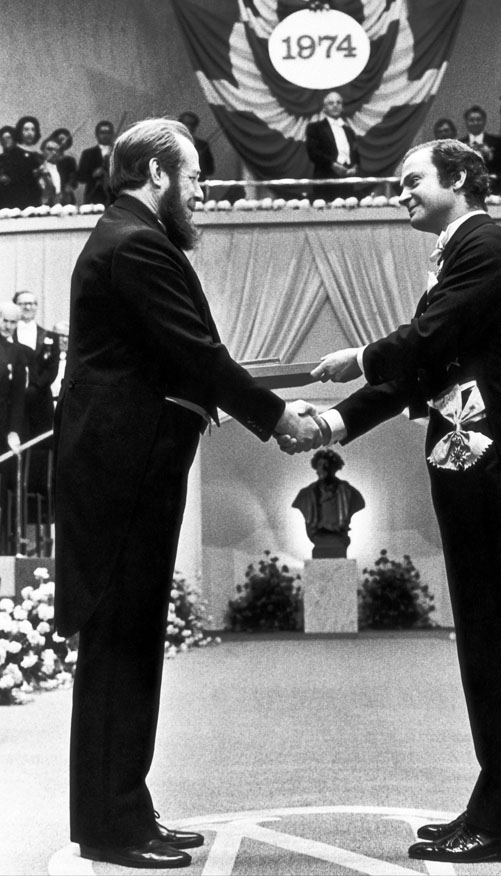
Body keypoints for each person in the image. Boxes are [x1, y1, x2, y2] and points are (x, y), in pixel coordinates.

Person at [280, 139, 501, 864]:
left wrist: (359, 357)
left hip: (498, 472)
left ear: (460, 177)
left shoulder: (490, 247)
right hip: (471, 471)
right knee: (485, 644)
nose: (400, 192)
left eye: (412, 180)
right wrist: (334, 423)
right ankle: (494, 802)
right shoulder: (461, 255)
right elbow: (422, 372)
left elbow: (424, 341)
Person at [53, 117, 323, 870]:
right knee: (120, 644)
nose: (203, 191)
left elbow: (189, 357)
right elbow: (196, 353)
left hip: (129, 467)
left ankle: (125, 808)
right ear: (156, 174)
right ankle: (111, 825)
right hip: (124, 470)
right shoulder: (137, 243)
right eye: (195, 176)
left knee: (133, 640)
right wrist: (275, 417)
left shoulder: (130, 236)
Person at [292, 448, 365, 558]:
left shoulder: (348, 492)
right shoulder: (306, 494)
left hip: (339, 537)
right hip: (318, 536)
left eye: (326, 465)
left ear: (334, 468)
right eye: (320, 465)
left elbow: (360, 503)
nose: (323, 468)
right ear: (316, 469)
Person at [13, 290, 59, 443]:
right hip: (13, 400)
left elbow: (52, 368)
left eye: (31, 303)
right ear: (15, 306)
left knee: (39, 444)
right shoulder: (7, 336)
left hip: (40, 398)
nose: (27, 307)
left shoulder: (50, 337)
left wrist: (36, 386)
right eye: (22, 304)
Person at [0, 302, 28, 553]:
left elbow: (18, 396)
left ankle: (4, 548)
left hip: (3, 425)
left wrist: (14, 431)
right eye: (4, 320)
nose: (7, 326)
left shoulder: (17, 352)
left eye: (12, 322)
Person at [305, 91, 361, 201]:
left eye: (338, 103)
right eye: (331, 103)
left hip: (347, 181)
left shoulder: (349, 131)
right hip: (325, 181)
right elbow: (313, 153)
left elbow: (356, 153)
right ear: (324, 108)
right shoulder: (315, 128)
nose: (335, 105)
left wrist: (355, 167)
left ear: (342, 107)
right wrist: (333, 165)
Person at [460, 104, 501, 194]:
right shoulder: (459, 144)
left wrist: (490, 156)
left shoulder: (498, 142)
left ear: (484, 121)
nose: (475, 123)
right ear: (466, 122)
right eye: (471, 120)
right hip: (466, 191)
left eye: (478, 120)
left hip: (493, 190)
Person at [77, 120, 114, 205]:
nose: (105, 135)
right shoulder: (87, 153)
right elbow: (80, 177)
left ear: (112, 134)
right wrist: (93, 174)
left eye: (108, 132)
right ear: (97, 134)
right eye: (102, 132)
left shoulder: (118, 153)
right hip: (92, 196)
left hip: (113, 197)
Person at [177, 111, 215, 181]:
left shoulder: (202, 145)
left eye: (192, 124)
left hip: (197, 183)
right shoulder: (171, 144)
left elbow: (210, 169)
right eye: (186, 124)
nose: (189, 127)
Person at [51, 320, 69, 404]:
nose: (65, 340)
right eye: (61, 336)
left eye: (68, 336)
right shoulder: (44, 358)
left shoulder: (73, 362)